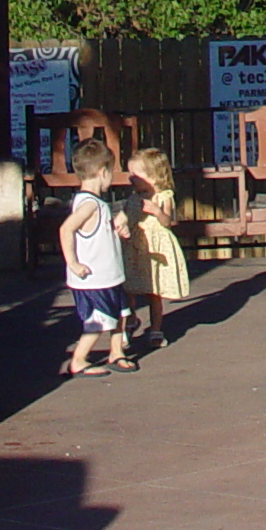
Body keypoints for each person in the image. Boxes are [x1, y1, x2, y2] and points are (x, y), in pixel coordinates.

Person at [58, 137, 135, 377]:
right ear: (102, 172)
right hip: (94, 278)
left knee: (121, 313)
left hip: (109, 274)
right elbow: (66, 228)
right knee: (99, 320)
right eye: (111, 172)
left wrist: (117, 228)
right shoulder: (89, 205)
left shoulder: (96, 204)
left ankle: (116, 353)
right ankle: (79, 359)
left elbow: (97, 231)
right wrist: (72, 262)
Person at [124, 146, 191, 350]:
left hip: (156, 245)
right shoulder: (133, 199)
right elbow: (126, 217)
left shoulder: (163, 196)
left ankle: (155, 328)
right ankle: (131, 319)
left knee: (154, 291)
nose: (130, 178)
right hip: (137, 246)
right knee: (129, 288)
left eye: (136, 174)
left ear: (153, 176)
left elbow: (167, 221)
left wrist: (156, 211)